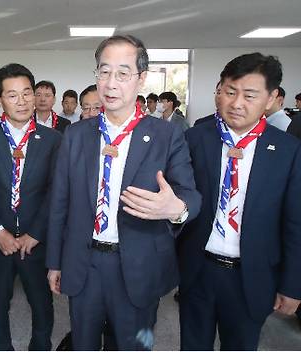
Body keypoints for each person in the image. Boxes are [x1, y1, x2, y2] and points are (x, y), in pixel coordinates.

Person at [46, 34, 201, 350]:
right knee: (84, 342)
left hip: (137, 264)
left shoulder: (166, 135)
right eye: (104, 72)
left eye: (122, 73)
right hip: (84, 261)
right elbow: (59, 202)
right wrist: (54, 262)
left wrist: (177, 208)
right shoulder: (76, 135)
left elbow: (190, 194)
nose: (111, 83)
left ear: (141, 79)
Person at [179, 52, 301, 350]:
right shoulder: (196, 139)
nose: (237, 103)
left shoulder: (289, 151)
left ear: (271, 98)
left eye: (249, 95)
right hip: (198, 268)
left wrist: (292, 285)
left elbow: (297, 224)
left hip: (251, 275)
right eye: (229, 92)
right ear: (219, 92)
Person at [0, 63, 60, 351]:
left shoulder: (52, 140)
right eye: (12, 95)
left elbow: (56, 192)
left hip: (35, 241)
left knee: (42, 304)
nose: (22, 101)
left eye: (27, 93)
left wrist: (36, 232)